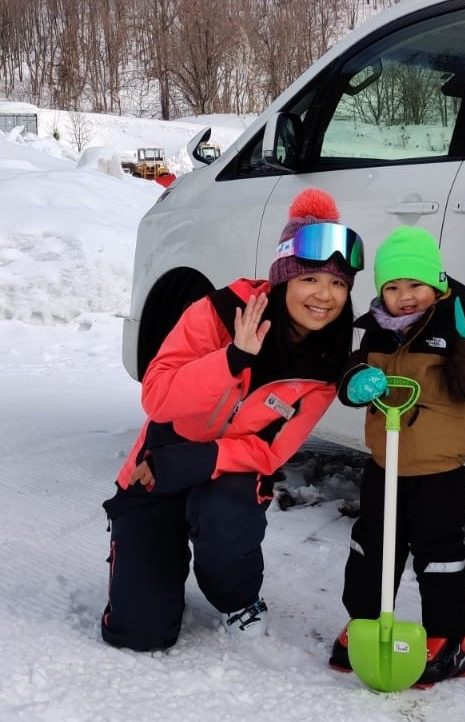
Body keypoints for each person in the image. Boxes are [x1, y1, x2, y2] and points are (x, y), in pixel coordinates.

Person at [101, 188, 364, 651]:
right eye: (311, 280)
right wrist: (231, 358)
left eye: (339, 284)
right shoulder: (219, 313)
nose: (325, 295)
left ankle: (238, 598)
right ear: (284, 279)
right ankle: (149, 565)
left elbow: (271, 451)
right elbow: (158, 398)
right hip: (158, 460)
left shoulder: (325, 364)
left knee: (225, 518)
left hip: (224, 474)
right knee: (139, 632)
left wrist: (195, 462)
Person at [328, 225, 465, 687]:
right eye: (393, 287)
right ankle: (363, 620)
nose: (405, 296)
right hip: (384, 467)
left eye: (415, 285)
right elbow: (351, 377)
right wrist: (356, 383)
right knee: (370, 547)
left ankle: (451, 635)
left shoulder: (454, 325)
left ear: (437, 284)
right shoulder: (376, 333)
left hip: (439, 474)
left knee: (438, 555)